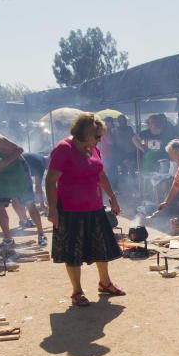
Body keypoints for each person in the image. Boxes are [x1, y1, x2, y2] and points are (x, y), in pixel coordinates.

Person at [45, 112, 125, 306]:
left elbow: (101, 175)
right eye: (97, 136)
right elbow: (50, 181)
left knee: (102, 248)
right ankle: (77, 292)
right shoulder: (63, 149)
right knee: (74, 251)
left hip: (95, 207)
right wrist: (53, 209)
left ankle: (105, 283)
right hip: (71, 210)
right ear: (85, 133)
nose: (100, 139)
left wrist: (113, 198)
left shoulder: (93, 148)